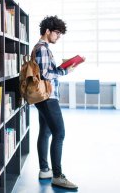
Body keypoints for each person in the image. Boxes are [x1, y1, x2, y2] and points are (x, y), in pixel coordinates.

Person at [33, 15, 81, 190]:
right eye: (57, 33)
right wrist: (65, 70)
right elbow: (46, 74)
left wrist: (61, 68)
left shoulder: (41, 48)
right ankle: (58, 176)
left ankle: (45, 169)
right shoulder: (43, 49)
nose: (58, 36)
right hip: (48, 98)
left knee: (45, 133)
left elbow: (45, 71)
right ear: (47, 31)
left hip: (43, 97)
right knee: (59, 134)